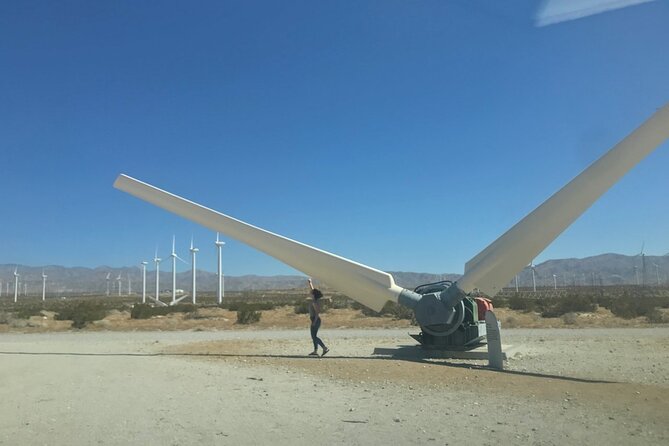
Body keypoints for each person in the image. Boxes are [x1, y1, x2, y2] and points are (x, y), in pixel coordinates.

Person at [307, 278, 329, 357]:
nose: (310, 292)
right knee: (313, 336)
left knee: (314, 336)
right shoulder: (314, 299)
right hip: (314, 319)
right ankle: (315, 351)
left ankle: (324, 348)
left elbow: (317, 312)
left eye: (311, 292)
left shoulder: (314, 302)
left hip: (315, 319)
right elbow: (312, 290)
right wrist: (310, 283)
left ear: (313, 294)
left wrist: (314, 322)